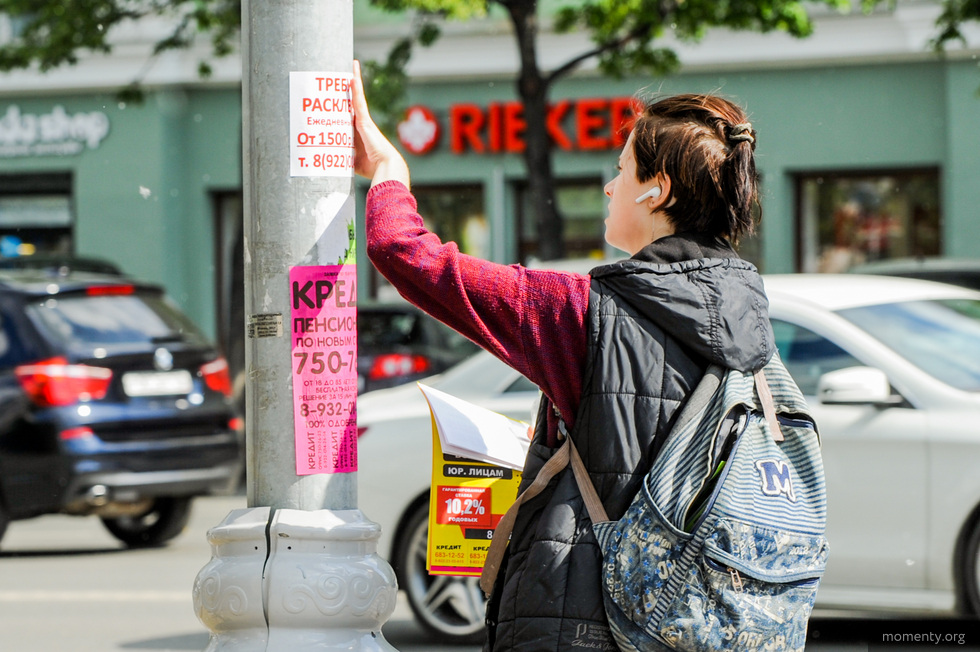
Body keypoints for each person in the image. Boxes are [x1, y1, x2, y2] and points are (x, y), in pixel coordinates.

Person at [352, 61, 775, 652]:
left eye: (622, 170)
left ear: (658, 190)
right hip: (695, 623)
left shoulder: (581, 311)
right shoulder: (750, 320)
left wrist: (389, 171)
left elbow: (403, 252)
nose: (609, 187)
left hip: (584, 621)